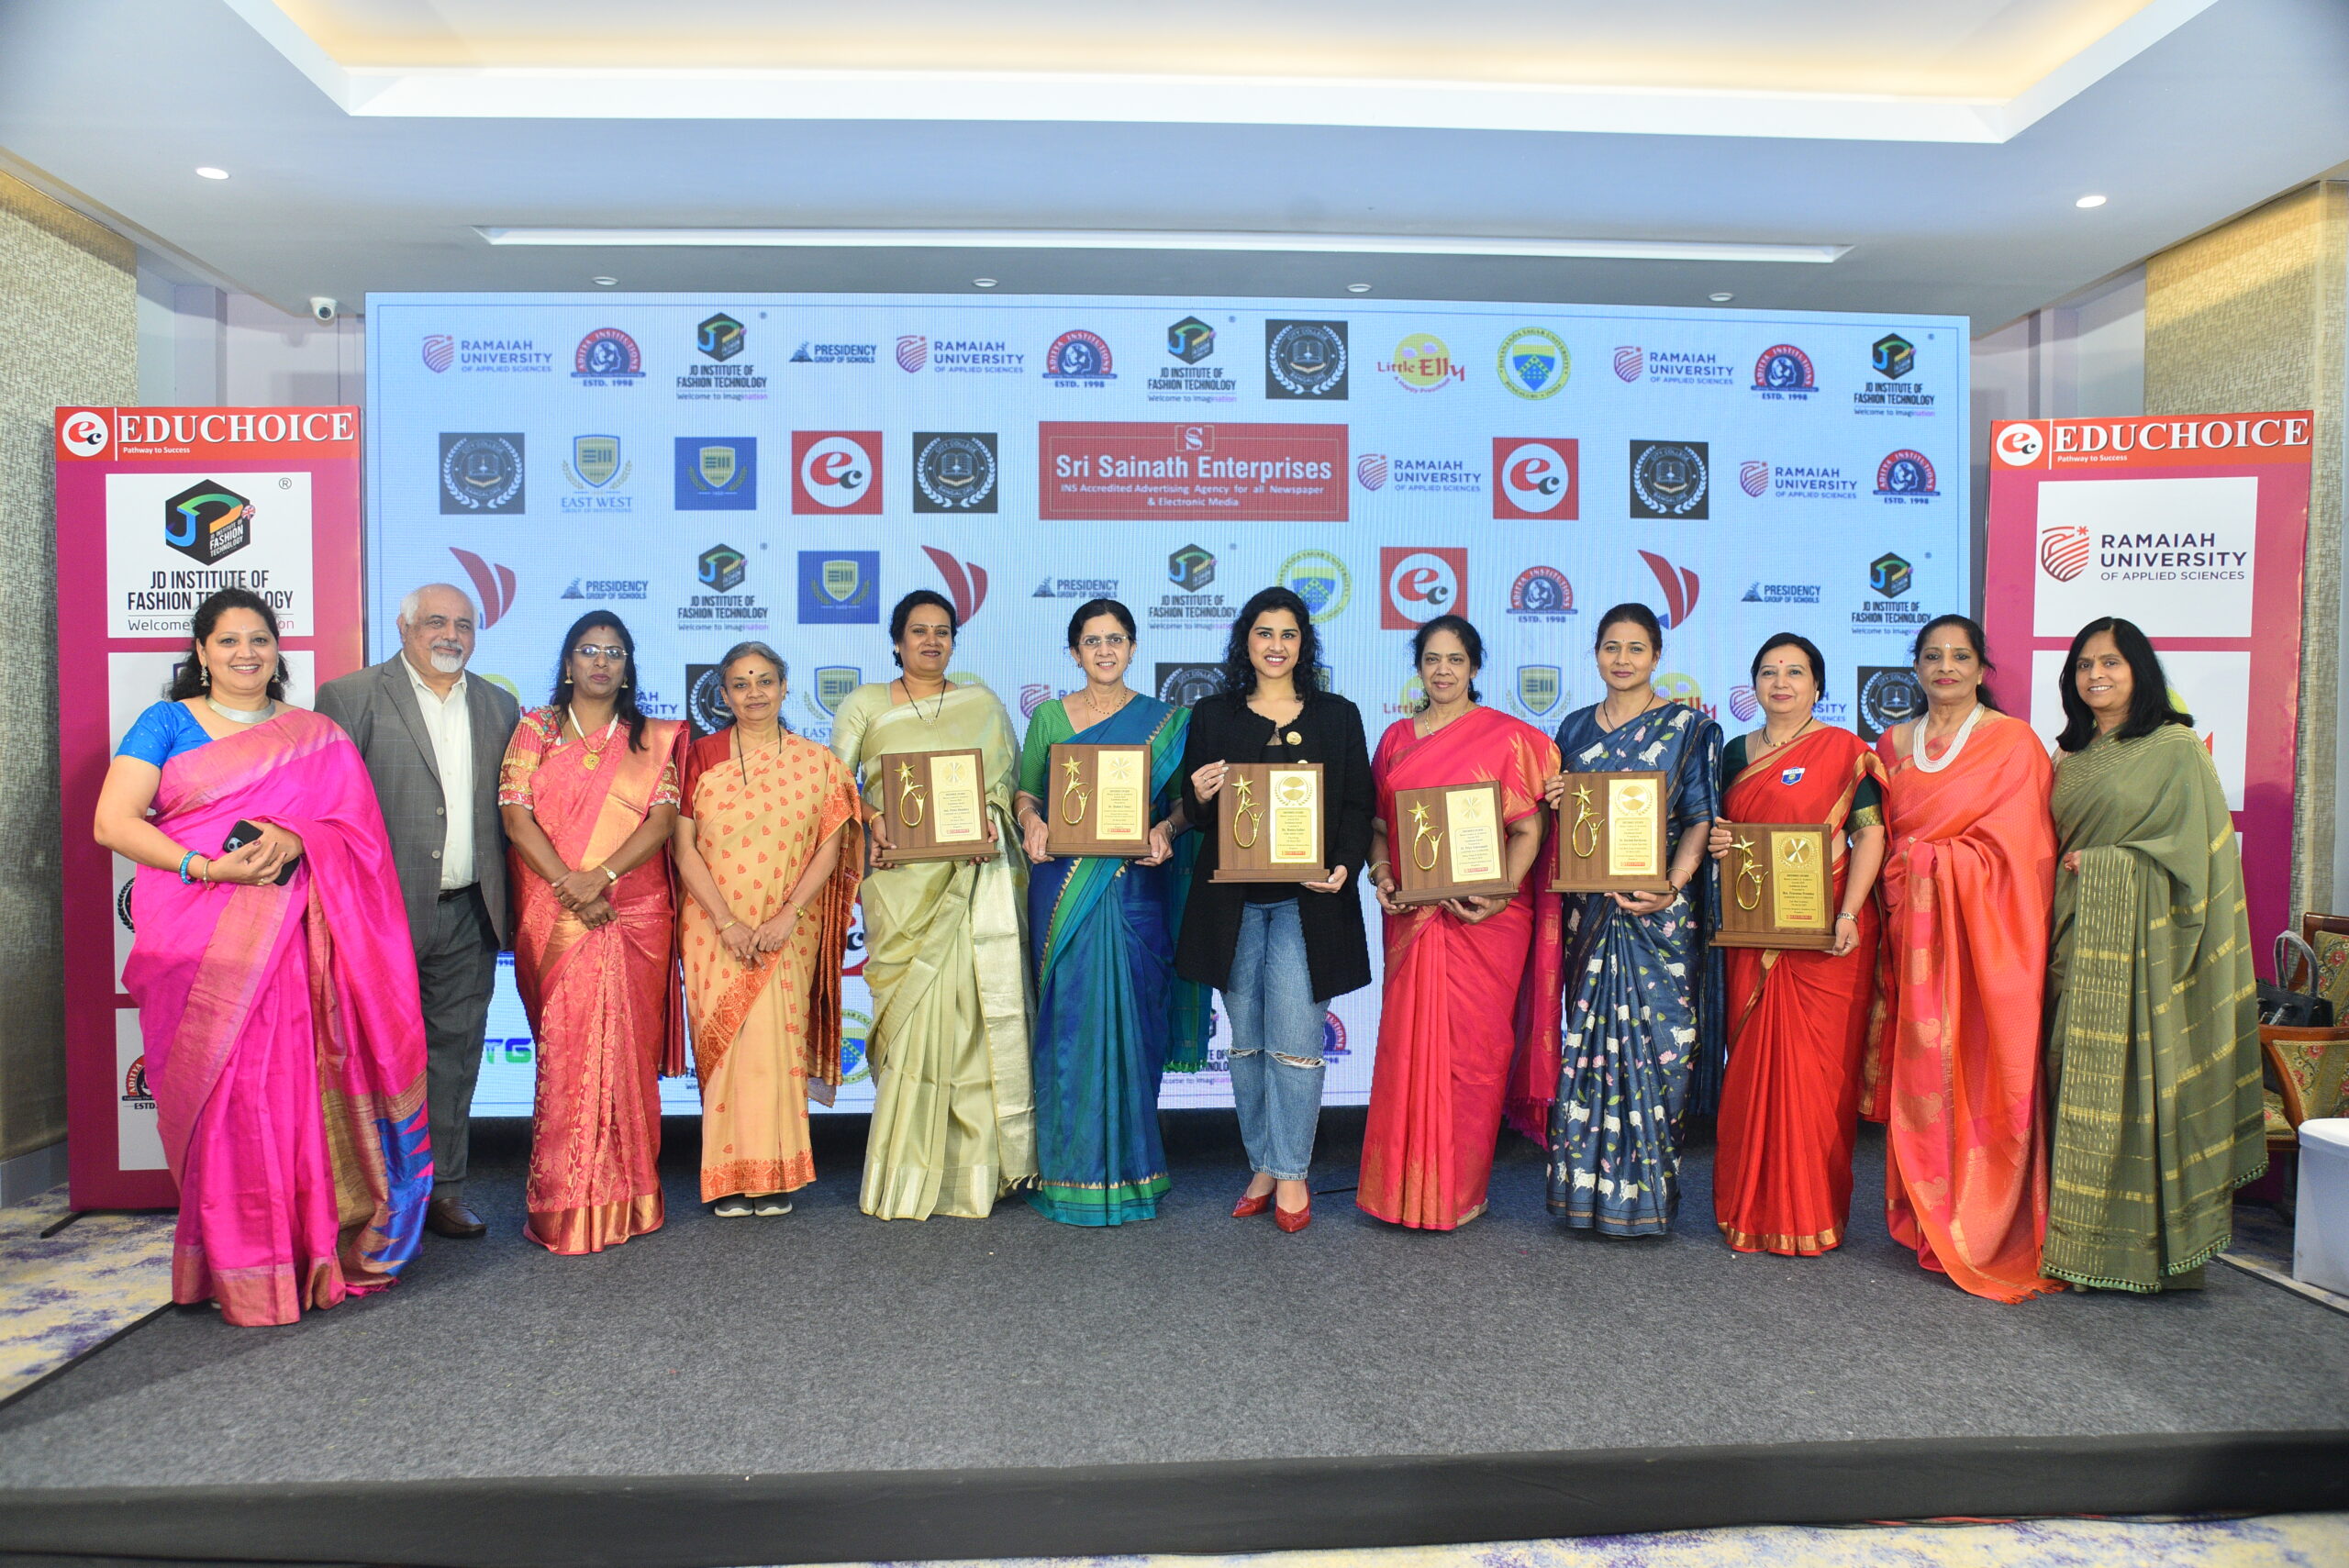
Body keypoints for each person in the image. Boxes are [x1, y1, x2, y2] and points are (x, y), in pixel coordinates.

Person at [95, 588, 429, 1325]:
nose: (246, 653)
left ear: (278, 649)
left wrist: (302, 835)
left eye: (259, 639)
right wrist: (206, 867)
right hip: (195, 944)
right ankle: (234, 1264)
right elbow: (112, 821)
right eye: (228, 640)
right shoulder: (165, 723)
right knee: (221, 1105)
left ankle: (302, 1251)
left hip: (293, 948)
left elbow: (361, 839)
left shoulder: (316, 736)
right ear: (201, 651)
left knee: (283, 1096)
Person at [2043, 617, 2265, 1292]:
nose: (2096, 675)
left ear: (2140, 670)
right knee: (2068, 1075)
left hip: (2147, 949)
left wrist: (2110, 865)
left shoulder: (2175, 747)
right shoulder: (2069, 755)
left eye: (2111, 662)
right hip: (2071, 936)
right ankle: (2075, 1242)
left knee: (2139, 1089)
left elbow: (2196, 859)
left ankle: (2139, 1254)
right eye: (2084, 664)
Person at [315, 583, 519, 1241]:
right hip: (379, 917)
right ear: (404, 628)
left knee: (455, 1058)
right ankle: (376, 1194)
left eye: (463, 624)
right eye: (435, 621)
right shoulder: (350, 697)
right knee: (373, 1059)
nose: (450, 635)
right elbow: (327, 808)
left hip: (471, 911)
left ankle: (445, 1191)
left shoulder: (499, 705)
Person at [1865, 614, 2060, 1302]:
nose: (1945, 667)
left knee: (1984, 1064)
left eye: (1959, 656)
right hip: (1915, 934)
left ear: (1981, 668)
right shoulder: (1891, 744)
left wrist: (1930, 863)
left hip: (1990, 939)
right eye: (1932, 655)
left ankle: (1986, 1221)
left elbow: (2025, 852)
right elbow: (1875, 836)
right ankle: (1926, 1214)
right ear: (1916, 667)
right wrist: (1907, 872)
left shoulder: (2013, 744)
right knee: (1922, 1068)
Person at [829, 590, 1036, 1219]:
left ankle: (976, 1171)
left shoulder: (983, 704)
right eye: (918, 631)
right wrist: (873, 817)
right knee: (912, 1023)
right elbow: (834, 787)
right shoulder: (865, 703)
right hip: (899, 883)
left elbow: (1007, 786)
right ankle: (907, 1169)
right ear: (897, 642)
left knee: (974, 1025)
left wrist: (991, 820)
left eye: (942, 631)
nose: (930, 641)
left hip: (972, 879)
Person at [1175, 586, 1374, 1233]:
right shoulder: (1213, 714)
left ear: (1304, 643)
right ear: (1246, 641)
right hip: (1231, 905)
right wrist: (1199, 793)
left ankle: (1291, 1171)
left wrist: (1344, 864)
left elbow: (1357, 805)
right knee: (1247, 1045)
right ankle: (1263, 1163)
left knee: (1295, 1044)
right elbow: (1198, 813)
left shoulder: (1337, 715)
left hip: (1306, 903)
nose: (1276, 645)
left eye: (1288, 634)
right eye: (1264, 633)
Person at [1360, 615, 1562, 1229]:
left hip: (1486, 919)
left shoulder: (1510, 738)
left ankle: (1458, 1191)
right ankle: (1400, 1192)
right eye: (1432, 659)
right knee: (1406, 1052)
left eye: (1455, 659)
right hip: (1414, 917)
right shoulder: (1396, 739)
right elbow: (1379, 827)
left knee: (1474, 1056)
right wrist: (1382, 874)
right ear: (1418, 667)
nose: (1443, 670)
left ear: (1474, 667)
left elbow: (1528, 829)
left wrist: (1500, 893)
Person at [1013, 600, 1209, 1226]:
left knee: (1136, 1022)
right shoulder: (1049, 717)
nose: (1105, 650)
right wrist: (1032, 820)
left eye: (1116, 639)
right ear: (1074, 652)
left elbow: (1184, 807)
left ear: (1133, 647)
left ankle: (1134, 1173)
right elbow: (1026, 791)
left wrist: (1166, 830)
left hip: (1136, 886)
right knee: (1069, 1025)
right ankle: (1069, 1174)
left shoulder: (1167, 722)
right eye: (1093, 641)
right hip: (1064, 887)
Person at [498, 612, 685, 1254]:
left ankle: (632, 1196)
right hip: (556, 910)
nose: (601, 661)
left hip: (632, 910)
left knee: (625, 1055)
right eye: (588, 650)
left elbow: (662, 820)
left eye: (613, 652)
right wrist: (569, 884)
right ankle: (563, 1202)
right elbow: (515, 815)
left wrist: (601, 876)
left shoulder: (648, 738)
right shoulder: (537, 728)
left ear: (627, 667)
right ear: (568, 662)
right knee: (566, 1051)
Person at [1541, 603, 1720, 1237]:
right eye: (1611, 647)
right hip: (1591, 914)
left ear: (1656, 656)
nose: (1622, 659)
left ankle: (1647, 1201)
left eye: (1635, 648)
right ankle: (1583, 1196)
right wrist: (1554, 799)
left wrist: (1672, 885)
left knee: (1663, 1055)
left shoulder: (1689, 729)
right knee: (1587, 1049)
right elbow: (1567, 827)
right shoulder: (1571, 729)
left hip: (1660, 915)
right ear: (1595, 654)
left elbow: (1700, 817)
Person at [1704, 634, 1886, 1256]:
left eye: (1795, 671)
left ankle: (1812, 1212)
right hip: (1753, 931)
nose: (1780, 682)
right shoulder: (1732, 753)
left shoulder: (1846, 752)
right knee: (1751, 1069)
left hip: (1825, 935)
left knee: (1818, 1080)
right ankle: (1749, 1208)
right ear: (1753, 684)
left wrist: (1850, 912)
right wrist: (1718, 840)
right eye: (1768, 671)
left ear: (1817, 685)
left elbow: (1870, 836)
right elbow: (1717, 831)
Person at [672, 643, 863, 1218]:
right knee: (729, 1048)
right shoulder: (698, 756)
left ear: (783, 687)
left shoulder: (818, 762)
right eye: (740, 683)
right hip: (713, 925)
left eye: (765, 681)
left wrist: (788, 916)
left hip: (788, 928)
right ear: (724, 695)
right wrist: (726, 921)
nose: (754, 693)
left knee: (776, 1044)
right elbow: (683, 847)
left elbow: (831, 846)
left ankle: (776, 1172)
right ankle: (728, 1178)